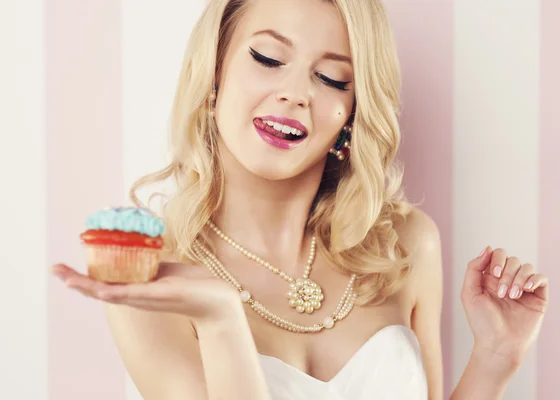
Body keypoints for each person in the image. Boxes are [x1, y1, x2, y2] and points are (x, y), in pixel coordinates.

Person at [51, 0, 549, 399]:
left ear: (351, 114)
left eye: (332, 78)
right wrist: (221, 318)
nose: (295, 94)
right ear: (213, 76)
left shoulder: (405, 245)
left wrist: (495, 359)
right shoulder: (153, 281)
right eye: (268, 59)